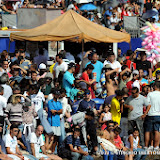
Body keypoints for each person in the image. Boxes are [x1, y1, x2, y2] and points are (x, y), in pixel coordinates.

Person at [145, 81, 160, 150]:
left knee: (148, 131)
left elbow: (147, 104)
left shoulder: (150, 94)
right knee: (157, 131)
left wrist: (145, 113)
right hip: (158, 115)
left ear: (155, 87)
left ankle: (147, 146)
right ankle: (156, 146)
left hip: (150, 114)